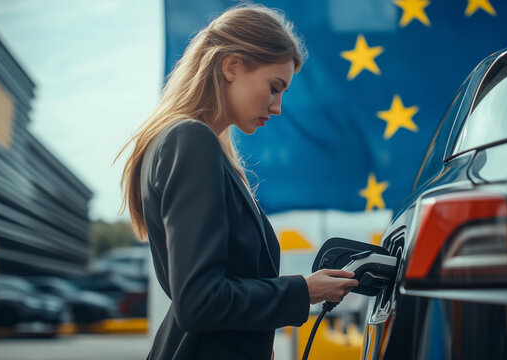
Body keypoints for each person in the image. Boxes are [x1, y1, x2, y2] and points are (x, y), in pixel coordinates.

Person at [117, 4, 359, 359]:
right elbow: (199, 302)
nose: (277, 107)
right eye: (274, 87)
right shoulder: (191, 141)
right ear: (232, 66)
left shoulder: (189, 143)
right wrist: (303, 291)